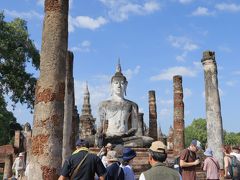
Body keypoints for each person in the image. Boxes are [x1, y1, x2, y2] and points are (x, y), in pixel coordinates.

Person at [99, 61, 139, 137]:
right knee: (90, 140)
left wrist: (126, 134)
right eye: (116, 83)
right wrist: (99, 135)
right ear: (111, 85)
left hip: (125, 137)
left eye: (122, 83)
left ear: (126, 85)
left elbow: (135, 127)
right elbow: (100, 127)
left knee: (146, 140)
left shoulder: (132, 105)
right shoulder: (104, 104)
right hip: (109, 136)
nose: (119, 86)